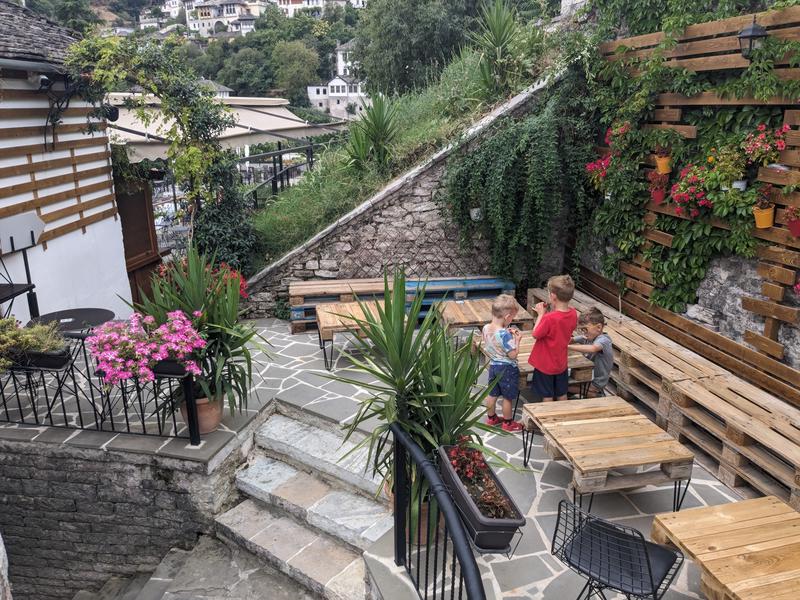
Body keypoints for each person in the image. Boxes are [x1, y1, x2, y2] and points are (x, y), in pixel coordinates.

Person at [529, 275, 578, 402]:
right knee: (562, 393)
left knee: (547, 395)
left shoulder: (549, 318)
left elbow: (535, 334)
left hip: (545, 364)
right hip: (561, 363)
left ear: (553, 296)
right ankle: (563, 417)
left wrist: (541, 314)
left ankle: (548, 420)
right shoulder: (573, 313)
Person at [482, 294, 524, 432]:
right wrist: (517, 340)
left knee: (492, 394)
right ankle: (508, 423)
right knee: (507, 397)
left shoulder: (486, 328)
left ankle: (492, 418)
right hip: (506, 368)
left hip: (493, 366)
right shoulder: (504, 335)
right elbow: (513, 355)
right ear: (507, 317)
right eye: (512, 318)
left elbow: (491, 343)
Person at [568, 307, 613, 397]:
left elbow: (593, 348)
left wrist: (567, 347)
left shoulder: (604, 340)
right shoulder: (587, 336)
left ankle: (597, 395)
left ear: (599, 327)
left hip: (597, 381)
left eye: (585, 329)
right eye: (582, 330)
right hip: (587, 376)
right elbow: (570, 340)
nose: (584, 333)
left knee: (562, 387)